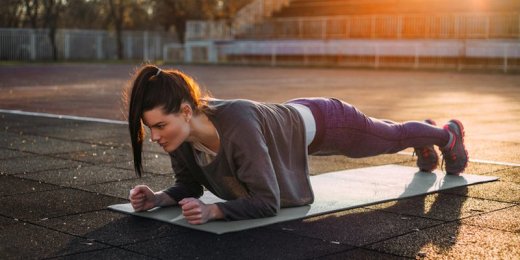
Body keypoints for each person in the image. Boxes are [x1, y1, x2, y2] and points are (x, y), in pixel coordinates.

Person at [126, 65, 468, 225]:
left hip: (331, 122)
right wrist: (158, 199)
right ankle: (425, 134)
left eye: (160, 125)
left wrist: (215, 211)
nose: (155, 137)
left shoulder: (238, 125)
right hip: (294, 120)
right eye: (150, 128)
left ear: (186, 112)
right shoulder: (185, 138)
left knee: (389, 138)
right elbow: (189, 185)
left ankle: (445, 134)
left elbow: (267, 201)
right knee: (391, 135)